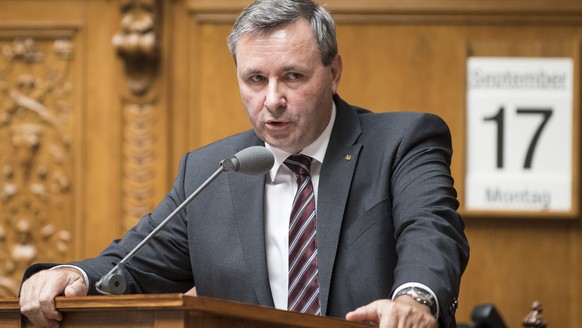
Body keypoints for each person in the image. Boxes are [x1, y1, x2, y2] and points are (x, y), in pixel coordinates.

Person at [19, 0, 469, 327]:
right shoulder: (211, 171)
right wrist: (69, 274)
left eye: (293, 76)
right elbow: (132, 266)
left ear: (333, 73)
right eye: (255, 79)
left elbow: (431, 230)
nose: (272, 100)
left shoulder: (401, 142)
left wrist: (415, 300)